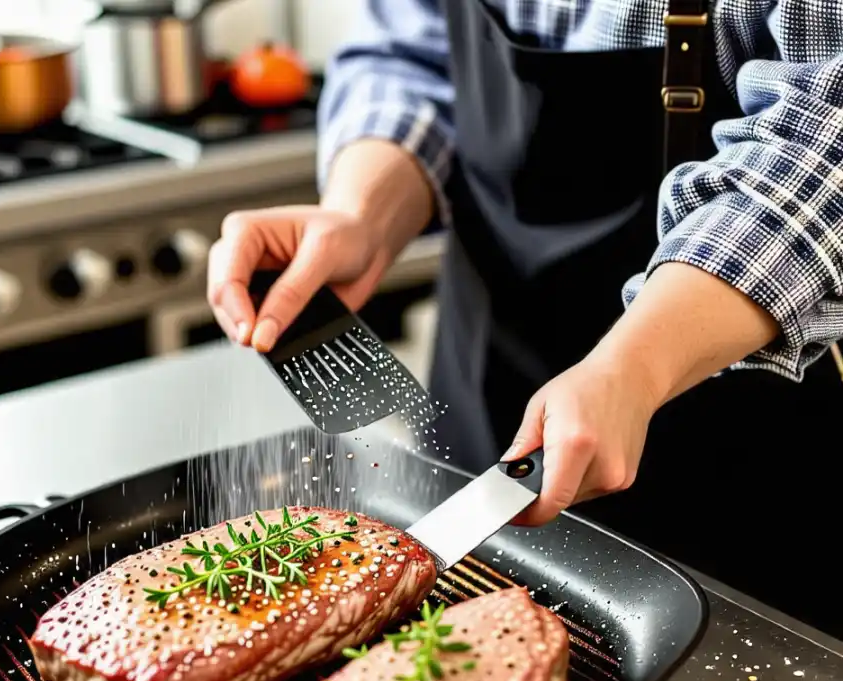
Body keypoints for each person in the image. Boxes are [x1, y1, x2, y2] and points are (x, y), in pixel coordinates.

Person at [206, 1, 843, 634]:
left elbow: (825, 144)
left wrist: (637, 368)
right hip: (483, 390)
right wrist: (360, 214)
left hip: (729, 457)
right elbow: (411, 51)